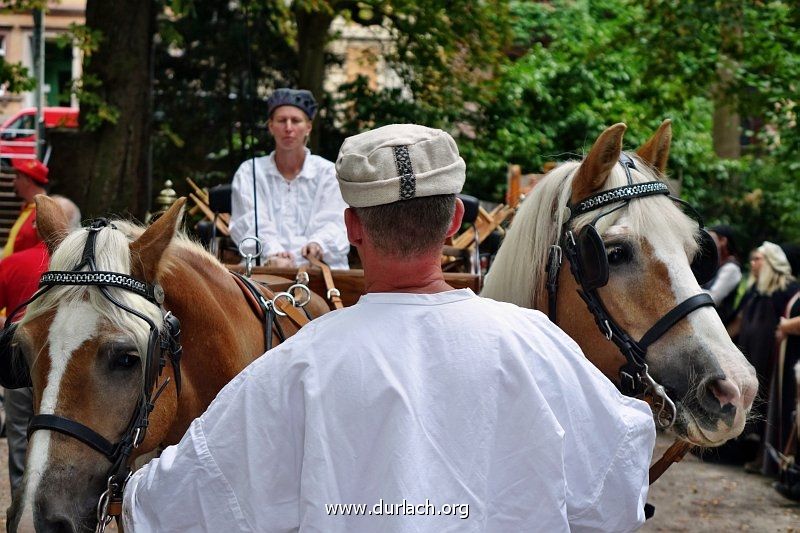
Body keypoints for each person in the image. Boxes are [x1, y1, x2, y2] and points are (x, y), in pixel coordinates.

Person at [123, 124, 655, 532]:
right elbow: (617, 485)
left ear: (352, 227)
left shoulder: (294, 367)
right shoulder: (538, 346)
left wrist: (125, 486)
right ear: (453, 223)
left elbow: (178, 505)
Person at [1, 194, 81, 495]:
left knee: (20, 433)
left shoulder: (12, 263)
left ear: (36, 225)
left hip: (20, 355)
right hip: (68, 361)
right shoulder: (88, 272)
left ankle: (23, 500)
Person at [228, 88, 349, 269]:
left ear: (308, 127)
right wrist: (273, 252)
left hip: (320, 269)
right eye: (282, 120)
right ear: (271, 126)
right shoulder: (250, 172)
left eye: (296, 121)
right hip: (265, 268)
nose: (289, 128)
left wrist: (318, 244)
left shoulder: (328, 173)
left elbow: (336, 221)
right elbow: (248, 221)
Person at [734, 242, 799, 473]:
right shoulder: (755, 290)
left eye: (758, 259)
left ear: (770, 262)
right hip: (752, 357)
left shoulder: (787, 290)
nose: (753, 264)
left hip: (775, 361)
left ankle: (768, 458)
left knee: (770, 407)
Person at [1, 158, 49, 258]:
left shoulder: (44, 212)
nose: (14, 181)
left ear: (28, 180)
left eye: (18, 177)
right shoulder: (28, 207)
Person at [703, 225, 742, 325]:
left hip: (717, 323)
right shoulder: (718, 263)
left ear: (723, 241)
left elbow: (713, 298)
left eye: (711, 238)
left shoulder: (732, 268)